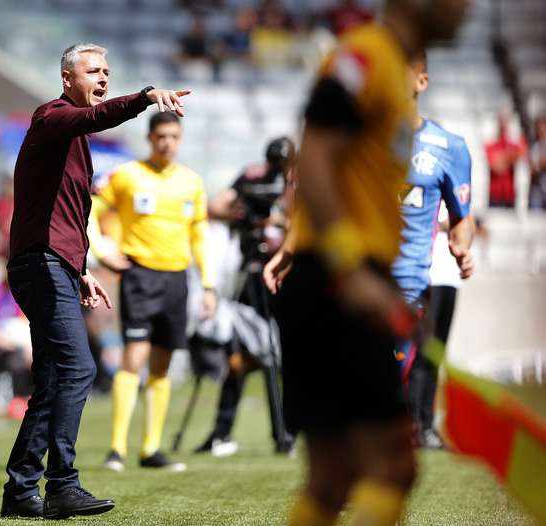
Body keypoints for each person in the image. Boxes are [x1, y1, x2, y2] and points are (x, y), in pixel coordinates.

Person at [263, 1, 469, 524]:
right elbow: (313, 156)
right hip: (339, 277)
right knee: (392, 463)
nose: (468, 8)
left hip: (338, 275)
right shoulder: (363, 58)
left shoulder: (390, 80)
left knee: (332, 478)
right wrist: (350, 266)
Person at [1, 42, 190, 520]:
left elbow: (64, 212)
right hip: (40, 264)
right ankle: (62, 484)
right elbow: (95, 118)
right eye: (93, 71)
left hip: (51, 265)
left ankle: (21, 490)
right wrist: (146, 96)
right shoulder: (54, 116)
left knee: (51, 380)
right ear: (68, 79)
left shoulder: (73, 138)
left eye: (107, 70)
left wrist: (79, 270)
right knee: (78, 369)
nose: (103, 77)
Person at [88, 111, 216, 473]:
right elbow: (92, 210)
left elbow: (199, 236)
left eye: (174, 137)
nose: (167, 143)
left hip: (177, 278)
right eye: (161, 136)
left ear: (180, 139)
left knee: (162, 365)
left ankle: (151, 448)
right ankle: (116, 449)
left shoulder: (191, 182)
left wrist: (208, 284)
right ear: (150, 138)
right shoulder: (128, 175)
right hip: (140, 276)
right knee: (134, 357)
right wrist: (101, 249)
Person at [391, 50, 475, 447]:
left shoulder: (448, 147)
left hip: (406, 289)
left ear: (420, 82)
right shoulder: (355, 142)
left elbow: (463, 218)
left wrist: (463, 248)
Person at [196, 136, 297, 456]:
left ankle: (287, 432)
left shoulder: (301, 183)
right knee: (238, 353)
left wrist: (280, 219)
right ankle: (222, 432)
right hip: (252, 270)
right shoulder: (253, 175)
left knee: (285, 357)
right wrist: (243, 214)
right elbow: (214, 206)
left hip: (287, 277)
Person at [485, 112, 526, 208]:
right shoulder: (491, 145)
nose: (503, 126)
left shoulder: (513, 145)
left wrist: (502, 158)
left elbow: (521, 154)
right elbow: (496, 167)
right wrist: (510, 157)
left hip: (509, 195)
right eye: (501, 123)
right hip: (494, 195)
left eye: (506, 123)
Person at [529, 115, 546, 209]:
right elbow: (532, 169)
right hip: (538, 192)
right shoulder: (535, 147)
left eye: (542, 127)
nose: (539, 130)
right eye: (537, 128)